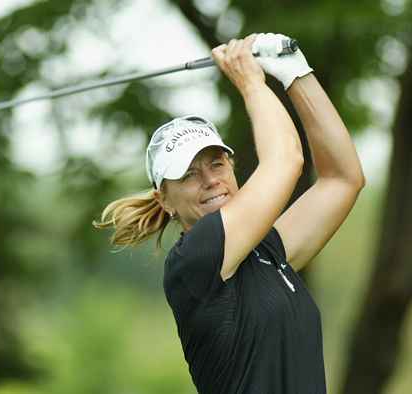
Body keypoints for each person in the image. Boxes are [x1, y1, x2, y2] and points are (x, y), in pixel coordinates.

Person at [94, 32, 365, 393]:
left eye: (216, 163)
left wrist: (296, 72)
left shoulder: (268, 252)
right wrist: (251, 81)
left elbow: (342, 179)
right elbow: (286, 160)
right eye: (188, 174)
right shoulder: (194, 261)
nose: (209, 180)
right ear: (165, 201)